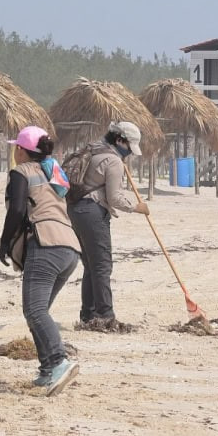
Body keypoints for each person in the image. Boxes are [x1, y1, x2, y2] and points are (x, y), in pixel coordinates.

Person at [0, 126, 81, 396]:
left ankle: (58, 361)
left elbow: (18, 210)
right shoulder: (52, 171)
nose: (14, 152)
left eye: (16, 147)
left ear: (21, 150)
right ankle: (47, 370)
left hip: (46, 244)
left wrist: (4, 242)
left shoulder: (21, 172)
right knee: (37, 311)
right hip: (70, 247)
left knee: (34, 310)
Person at [67, 120, 151, 327]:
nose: (130, 153)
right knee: (102, 265)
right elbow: (114, 198)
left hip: (75, 210)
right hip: (93, 212)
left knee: (91, 265)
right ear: (120, 140)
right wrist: (136, 207)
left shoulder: (93, 149)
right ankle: (105, 315)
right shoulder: (113, 161)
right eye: (129, 148)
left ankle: (88, 315)